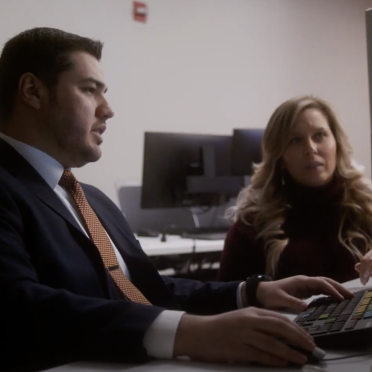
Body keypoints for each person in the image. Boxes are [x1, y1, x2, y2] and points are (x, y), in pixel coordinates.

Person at [0, 28, 353, 372]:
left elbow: (150, 288)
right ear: (32, 91)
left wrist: (251, 292)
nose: (108, 110)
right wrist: (188, 333)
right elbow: (18, 308)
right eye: (90, 90)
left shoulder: (92, 200)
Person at [217, 95, 372, 285]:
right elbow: (224, 305)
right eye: (295, 140)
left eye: (319, 135)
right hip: (291, 315)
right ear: (280, 156)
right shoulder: (252, 226)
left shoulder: (367, 204)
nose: (310, 148)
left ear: (337, 143)